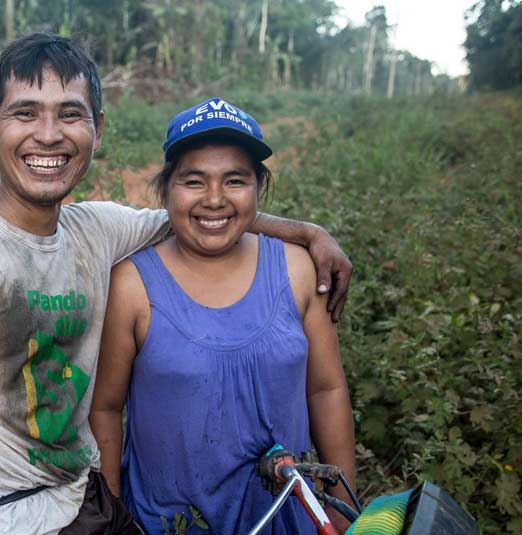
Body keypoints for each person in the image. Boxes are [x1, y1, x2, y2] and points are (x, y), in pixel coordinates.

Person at [0, 33, 353, 535]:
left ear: (97, 129)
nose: (49, 135)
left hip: (85, 503)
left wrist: (310, 235)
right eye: (25, 113)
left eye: (70, 115)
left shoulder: (96, 230)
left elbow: (200, 214)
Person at [88, 98, 357, 534]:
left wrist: (341, 513)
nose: (214, 200)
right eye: (194, 181)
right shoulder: (132, 285)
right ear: (166, 189)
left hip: (285, 518)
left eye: (235, 180)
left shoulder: (299, 270)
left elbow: (326, 390)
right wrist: (114, 517)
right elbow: (105, 408)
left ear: (258, 189)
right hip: (167, 522)